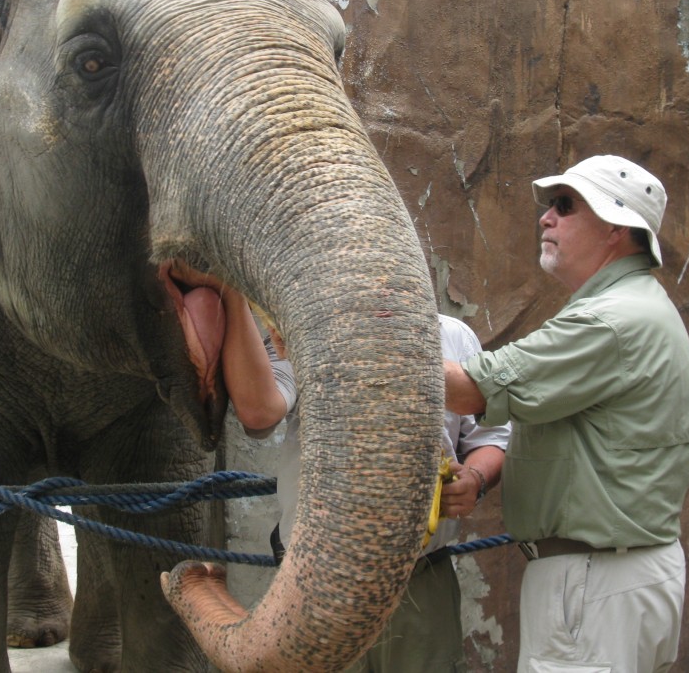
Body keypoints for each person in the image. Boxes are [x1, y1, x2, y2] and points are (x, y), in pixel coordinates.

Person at [180, 264, 510, 673]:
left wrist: (474, 478)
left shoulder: (452, 336)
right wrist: (232, 293)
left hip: (419, 577)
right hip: (316, 577)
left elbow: (492, 440)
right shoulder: (308, 332)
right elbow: (259, 410)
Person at [443, 154, 689, 673]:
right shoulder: (636, 304)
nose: (546, 218)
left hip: (596, 585)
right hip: (619, 579)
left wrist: (355, 329)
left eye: (564, 206)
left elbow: (469, 391)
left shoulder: (609, 320)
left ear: (615, 227)